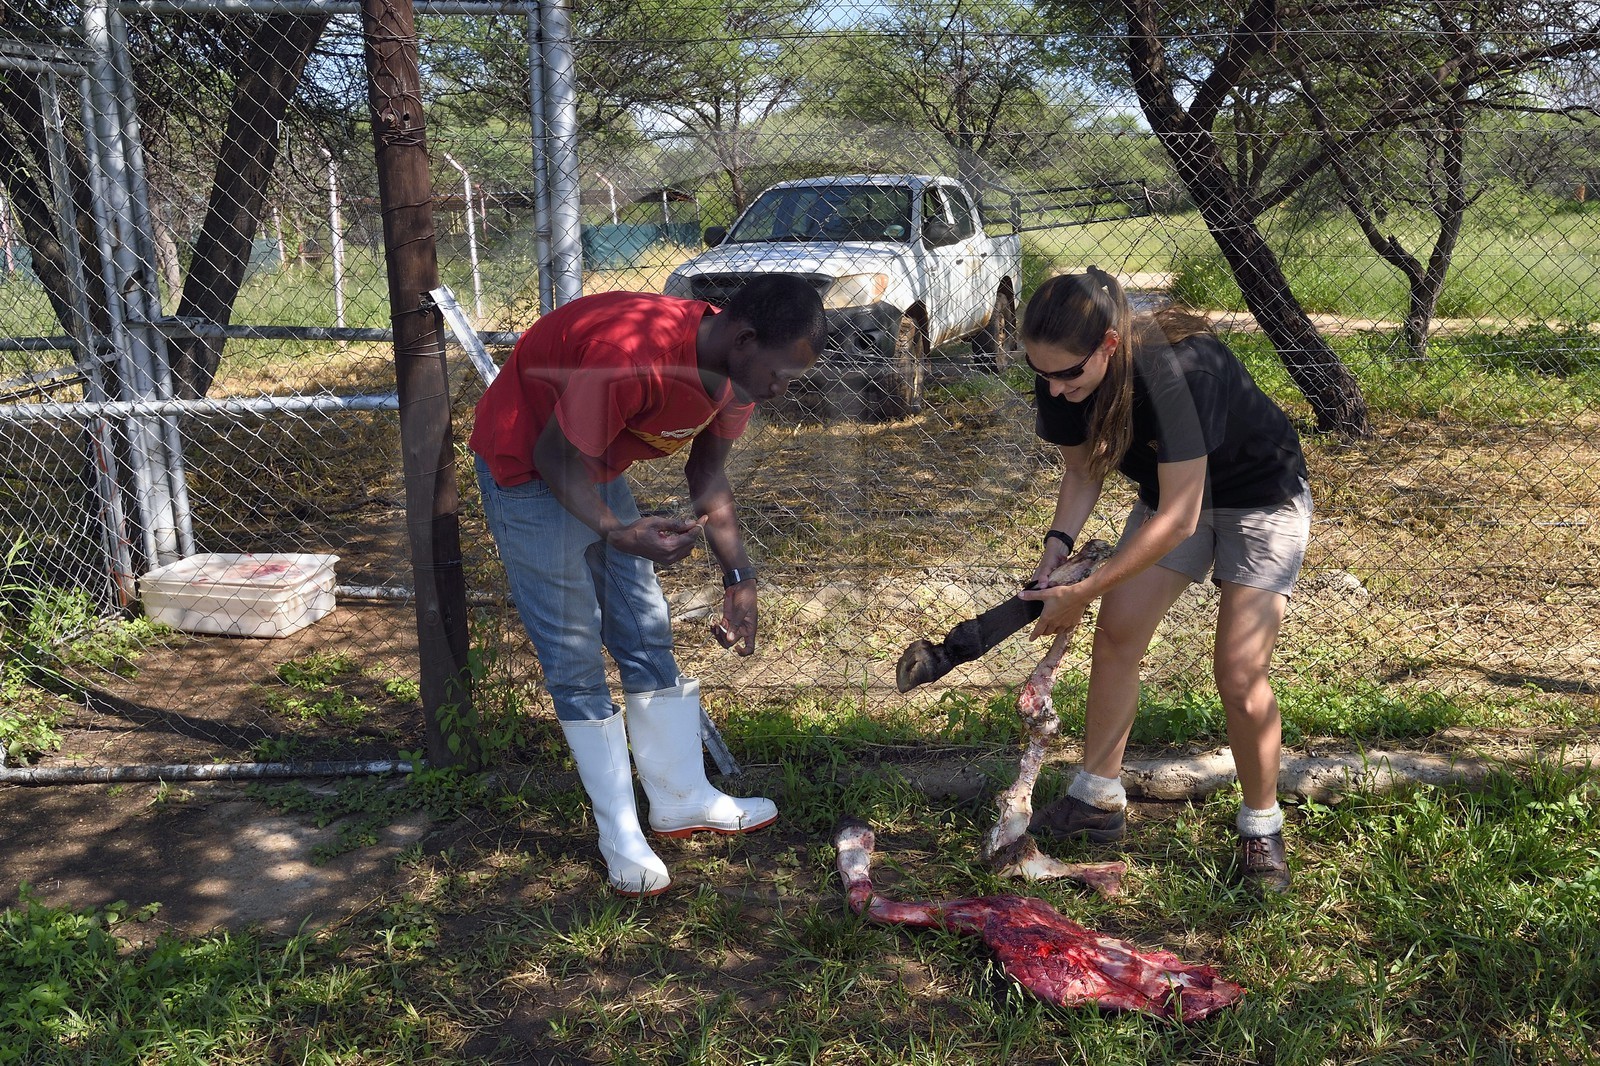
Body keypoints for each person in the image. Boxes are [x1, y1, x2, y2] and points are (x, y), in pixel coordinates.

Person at [470, 275, 826, 897]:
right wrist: (617, 531)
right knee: (575, 656)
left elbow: (706, 470)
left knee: (645, 631)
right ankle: (620, 834)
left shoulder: (737, 375)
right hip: (528, 465)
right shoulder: (633, 355)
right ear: (744, 340)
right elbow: (554, 455)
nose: (780, 391)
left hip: (593, 461)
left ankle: (680, 799)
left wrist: (739, 575)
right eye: (782, 376)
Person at [1015, 267, 1312, 893]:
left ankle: (1262, 828)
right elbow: (1083, 475)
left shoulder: (1180, 371)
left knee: (1237, 670)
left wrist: (1081, 592)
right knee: (1117, 635)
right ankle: (1098, 800)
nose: (1055, 388)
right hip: (1171, 499)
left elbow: (1179, 519)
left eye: (1068, 374)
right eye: (1042, 373)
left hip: (1261, 500)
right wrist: (1056, 555)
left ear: (1110, 346)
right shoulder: (1058, 373)